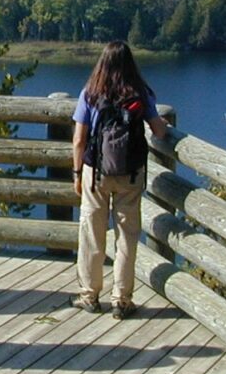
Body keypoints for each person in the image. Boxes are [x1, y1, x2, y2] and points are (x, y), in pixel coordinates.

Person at [69, 40, 170, 320]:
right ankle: (122, 300)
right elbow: (160, 131)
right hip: (131, 173)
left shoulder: (90, 93)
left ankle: (89, 295)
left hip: (95, 173)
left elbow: (79, 140)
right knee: (126, 236)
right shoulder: (140, 94)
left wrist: (77, 174)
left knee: (92, 233)